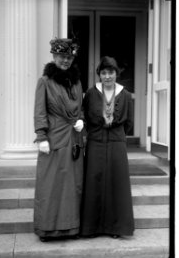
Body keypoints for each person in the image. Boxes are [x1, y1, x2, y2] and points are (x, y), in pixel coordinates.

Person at [34, 38, 84, 242]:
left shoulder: (77, 81)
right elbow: (39, 111)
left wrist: (81, 119)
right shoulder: (45, 81)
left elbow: (80, 106)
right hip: (53, 138)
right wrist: (41, 136)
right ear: (54, 56)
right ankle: (47, 229)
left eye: (69, 57)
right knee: (51, 184)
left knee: (72, 185)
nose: (66, 60)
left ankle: (71, 228)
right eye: (62, 56)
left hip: (74, 138)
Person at [80, 56, 135, 239]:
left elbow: (129, 123)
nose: (107, 76)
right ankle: (92, 228)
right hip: (96, 142)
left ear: (116, 73)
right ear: (99, 75)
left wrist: (115, 135)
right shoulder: (91, 93)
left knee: (116, 184)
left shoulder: (126, 95)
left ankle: (115, 228)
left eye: (110, 72)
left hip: (117, 143)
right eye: (103, 73)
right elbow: (86, 116)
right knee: (94, 182)